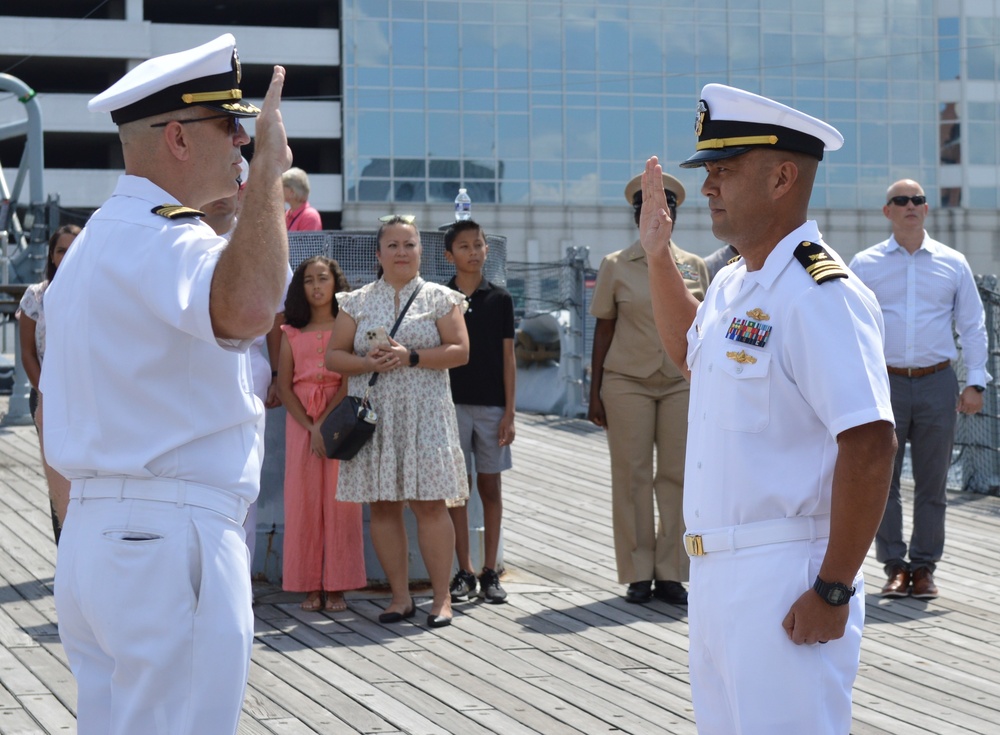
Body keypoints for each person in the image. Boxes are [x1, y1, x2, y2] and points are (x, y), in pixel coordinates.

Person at [40, 34, 292, 735]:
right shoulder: (164, 237)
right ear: (178, 138)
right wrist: (268, 174)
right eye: (230, 124)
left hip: (99, 535)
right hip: (166, 532)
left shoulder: (95, 243)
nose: (242, 139)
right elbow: (247, 308)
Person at [639, 84, 897, 734]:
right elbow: (690, 353)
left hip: (786, 577)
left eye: (723, 170)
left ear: (783, 176)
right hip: (718, 572)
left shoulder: (820, 291)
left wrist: (834, 587)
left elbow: (869, 442)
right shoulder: (735, 280)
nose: (707, 187)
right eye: (709, 171)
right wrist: (656, 254)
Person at [325, 215, 469, 629]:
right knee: (383, 507)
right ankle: (400, 598)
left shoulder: (441, 298)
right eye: (393, 245)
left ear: (421, 251)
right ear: (378, 253)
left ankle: (442, 599)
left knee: (430, 504)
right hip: (376, 416)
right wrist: (366, 362)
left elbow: (460, 350)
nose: (401, 252)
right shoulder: (355, 300)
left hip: (425, 415)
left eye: (409, 244)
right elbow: (333, 357)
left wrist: (412, 357)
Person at [850, 180, 990, 600]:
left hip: (937, 381)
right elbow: (848, 325)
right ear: (887, 211)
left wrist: (976, 381)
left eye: (918, 200)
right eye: (901, 200)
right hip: (883, 383)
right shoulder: (864, 263)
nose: (911, 206)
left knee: (933, 483)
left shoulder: (953, 263)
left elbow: (973, 325)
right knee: (881, 481)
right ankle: (894, 566)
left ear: (927, 210)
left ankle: (925, 568)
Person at [588, 172, 707, 606]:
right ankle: (639, 572)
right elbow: (603, 328)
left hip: (681, 383)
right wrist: (594, 391)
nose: (656, 215)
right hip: (626, 382)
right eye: (647, 209)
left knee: (678, 478)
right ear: (636, 215)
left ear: (674, 216)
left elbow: (703, 332)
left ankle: (673, 571)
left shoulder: (695, 266)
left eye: (665, 209)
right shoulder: (615, 265)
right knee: (632, 476)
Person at [203, 164, 290, 573]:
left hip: (245, 365)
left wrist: (275, 375)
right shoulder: (181, 236)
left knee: (243, 479)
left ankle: (239, 576)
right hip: (191, 370)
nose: (224, 194)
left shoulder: (258, 241)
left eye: (234, 185)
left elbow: (276, 318)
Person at [277, 256, 366, 611]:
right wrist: (310, 426)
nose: (316, 286)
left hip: (340, 419)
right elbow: (284, 386)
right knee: (303, 502)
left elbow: (347, 382)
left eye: (323, 279)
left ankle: (339, 584)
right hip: (301, 422)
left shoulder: (347, 328)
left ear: (335, 284)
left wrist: (324, 424)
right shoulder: (290, 332)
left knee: (341, 501)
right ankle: (309, 583)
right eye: (309, 280)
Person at [443, 219, 516, 605]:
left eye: (479, 245)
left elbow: (508, 359)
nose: (473, 252)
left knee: (490, 486)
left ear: (487, 250)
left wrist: (510, 412)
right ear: (449, 254)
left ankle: (491, 570)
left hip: (492, 407)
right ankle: (463, 570)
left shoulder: (500, 298)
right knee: (457, 490)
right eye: (465, 246)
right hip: (450, 405)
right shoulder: (441, 298)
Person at [16, 223, 80, 542]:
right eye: (61, 250)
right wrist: (47, 393)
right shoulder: (35, 296)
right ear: (52, 257)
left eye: (74, 248)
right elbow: (28, 353)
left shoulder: (95, 292)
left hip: (86, 397)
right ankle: (64, 546)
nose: (67, 255)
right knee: (59, 480)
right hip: (47, 397)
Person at [283, 166, 322, 231]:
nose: (279, 190)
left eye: (283, 186)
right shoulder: (288, 214)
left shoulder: (310, 216)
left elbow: (309, 241)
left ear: (292, 191)